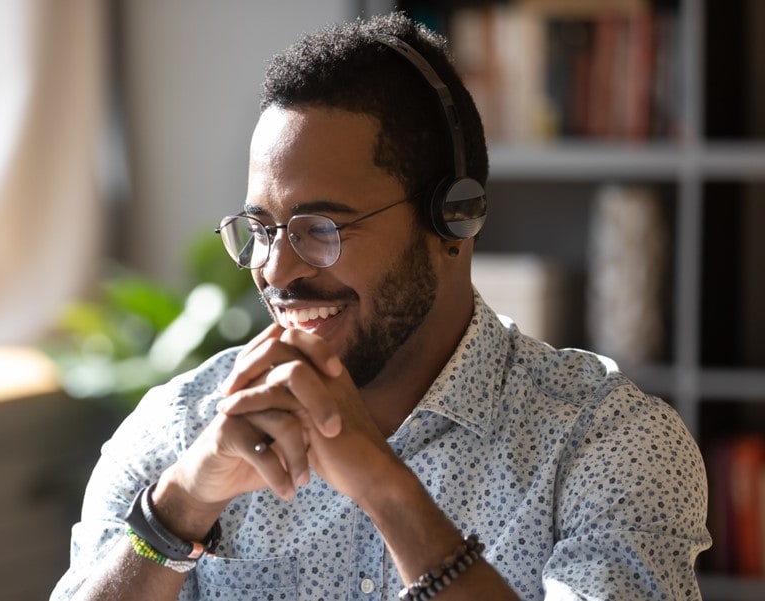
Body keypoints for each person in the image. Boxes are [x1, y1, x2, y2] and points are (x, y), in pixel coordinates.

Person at [51, 12, 710, 601]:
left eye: (320, 227)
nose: (276, 269)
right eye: (261, 229)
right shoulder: (180, 428)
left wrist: (386, 489)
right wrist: (177, 508)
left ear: (454, 219)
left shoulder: (607, 443)